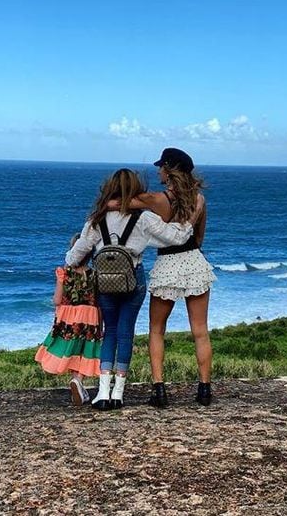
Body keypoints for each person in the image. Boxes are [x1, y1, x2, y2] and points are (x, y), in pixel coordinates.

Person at [65, 168, 197, 411]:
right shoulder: (143, 218)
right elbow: (176, 237)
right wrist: (191, 218)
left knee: (110, 332)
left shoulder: (97, 219)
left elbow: (75, 255)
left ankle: (102, 393)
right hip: (132, 280)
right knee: (126, 333)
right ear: (136, 190)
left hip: (105, 283)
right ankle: (118, 393)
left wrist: (71, 258)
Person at [133, 148, 216, 407]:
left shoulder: (158, 199)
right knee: (200, 331)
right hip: (193, 259)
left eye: (161, 167)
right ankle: (204, 390)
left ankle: (159, 390)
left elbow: (121, 203)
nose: (158, 170)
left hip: (167, 261)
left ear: (169, 170)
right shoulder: (199, 199)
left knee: (157, 329)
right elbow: (200, 237)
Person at [34, 234, 102, 405]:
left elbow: (57, 300)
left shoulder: (64, 273)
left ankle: (77, 383)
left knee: (70, 348)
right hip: (90, 316)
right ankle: (78, 380)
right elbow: (98, 300)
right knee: (84, 350)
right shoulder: (95, 274)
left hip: (68, 317)